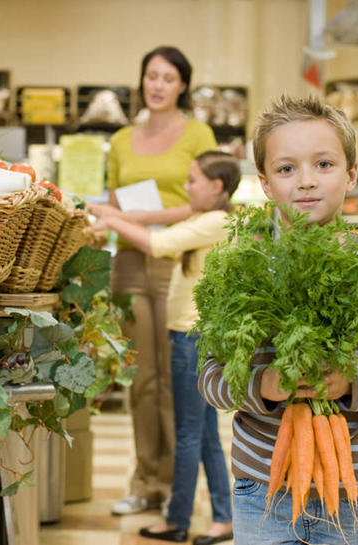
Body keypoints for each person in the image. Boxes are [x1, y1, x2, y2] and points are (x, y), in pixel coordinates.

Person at [196, 95, 358, 545]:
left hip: (351, 486)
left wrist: (350, 382)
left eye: (324, 164)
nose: (306, 181)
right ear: (265, 183)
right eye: (286, 169)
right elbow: (209, 376)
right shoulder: (243, 271)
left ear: (351, 174)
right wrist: (262, 385)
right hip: (260, 486)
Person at [90, 150, 239, 544]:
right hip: (193, 336)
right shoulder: (206, 219)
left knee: (188, 433)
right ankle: (223, 517)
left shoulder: (215, 222)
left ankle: (177, 520)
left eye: (192, 180)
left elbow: (157, 244)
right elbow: (155, 227)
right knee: (205, 435)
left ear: (216, 186)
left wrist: (111, 219)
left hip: (192, 339)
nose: (186, 187)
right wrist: (116, 214)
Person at [102, 45, 218, 517]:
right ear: (141, 80)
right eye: (152, 75)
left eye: (168, 78)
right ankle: (145, 481)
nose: (158, 85)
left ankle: (177, 486)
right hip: (131, 261)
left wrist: (146, 218)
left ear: (182, 85)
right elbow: (113, 204)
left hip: (179, 263)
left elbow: (203, 203)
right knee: (142, 379)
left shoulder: (198, 133)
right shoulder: (121, 140)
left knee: (175, 378)